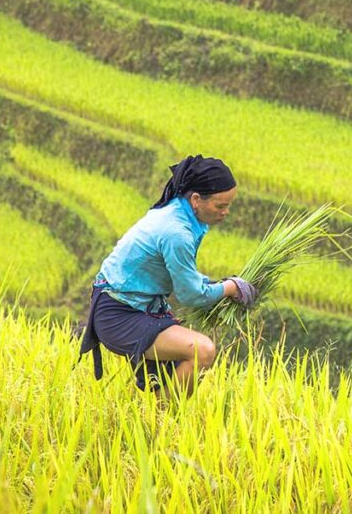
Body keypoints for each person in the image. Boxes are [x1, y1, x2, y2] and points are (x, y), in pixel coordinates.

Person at [78, 155, 256, 395]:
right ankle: (164, 421)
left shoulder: (177, 212)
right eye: (220, 206)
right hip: (120, 313)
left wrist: (216, 284)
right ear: (196, 199)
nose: (226, 212)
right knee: (202, 350)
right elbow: (192, 295)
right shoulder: (177, 232)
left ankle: (155, 416)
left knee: (173, 372)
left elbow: (183, 274)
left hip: (135, 305)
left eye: (229, 205)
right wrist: (231, 288)